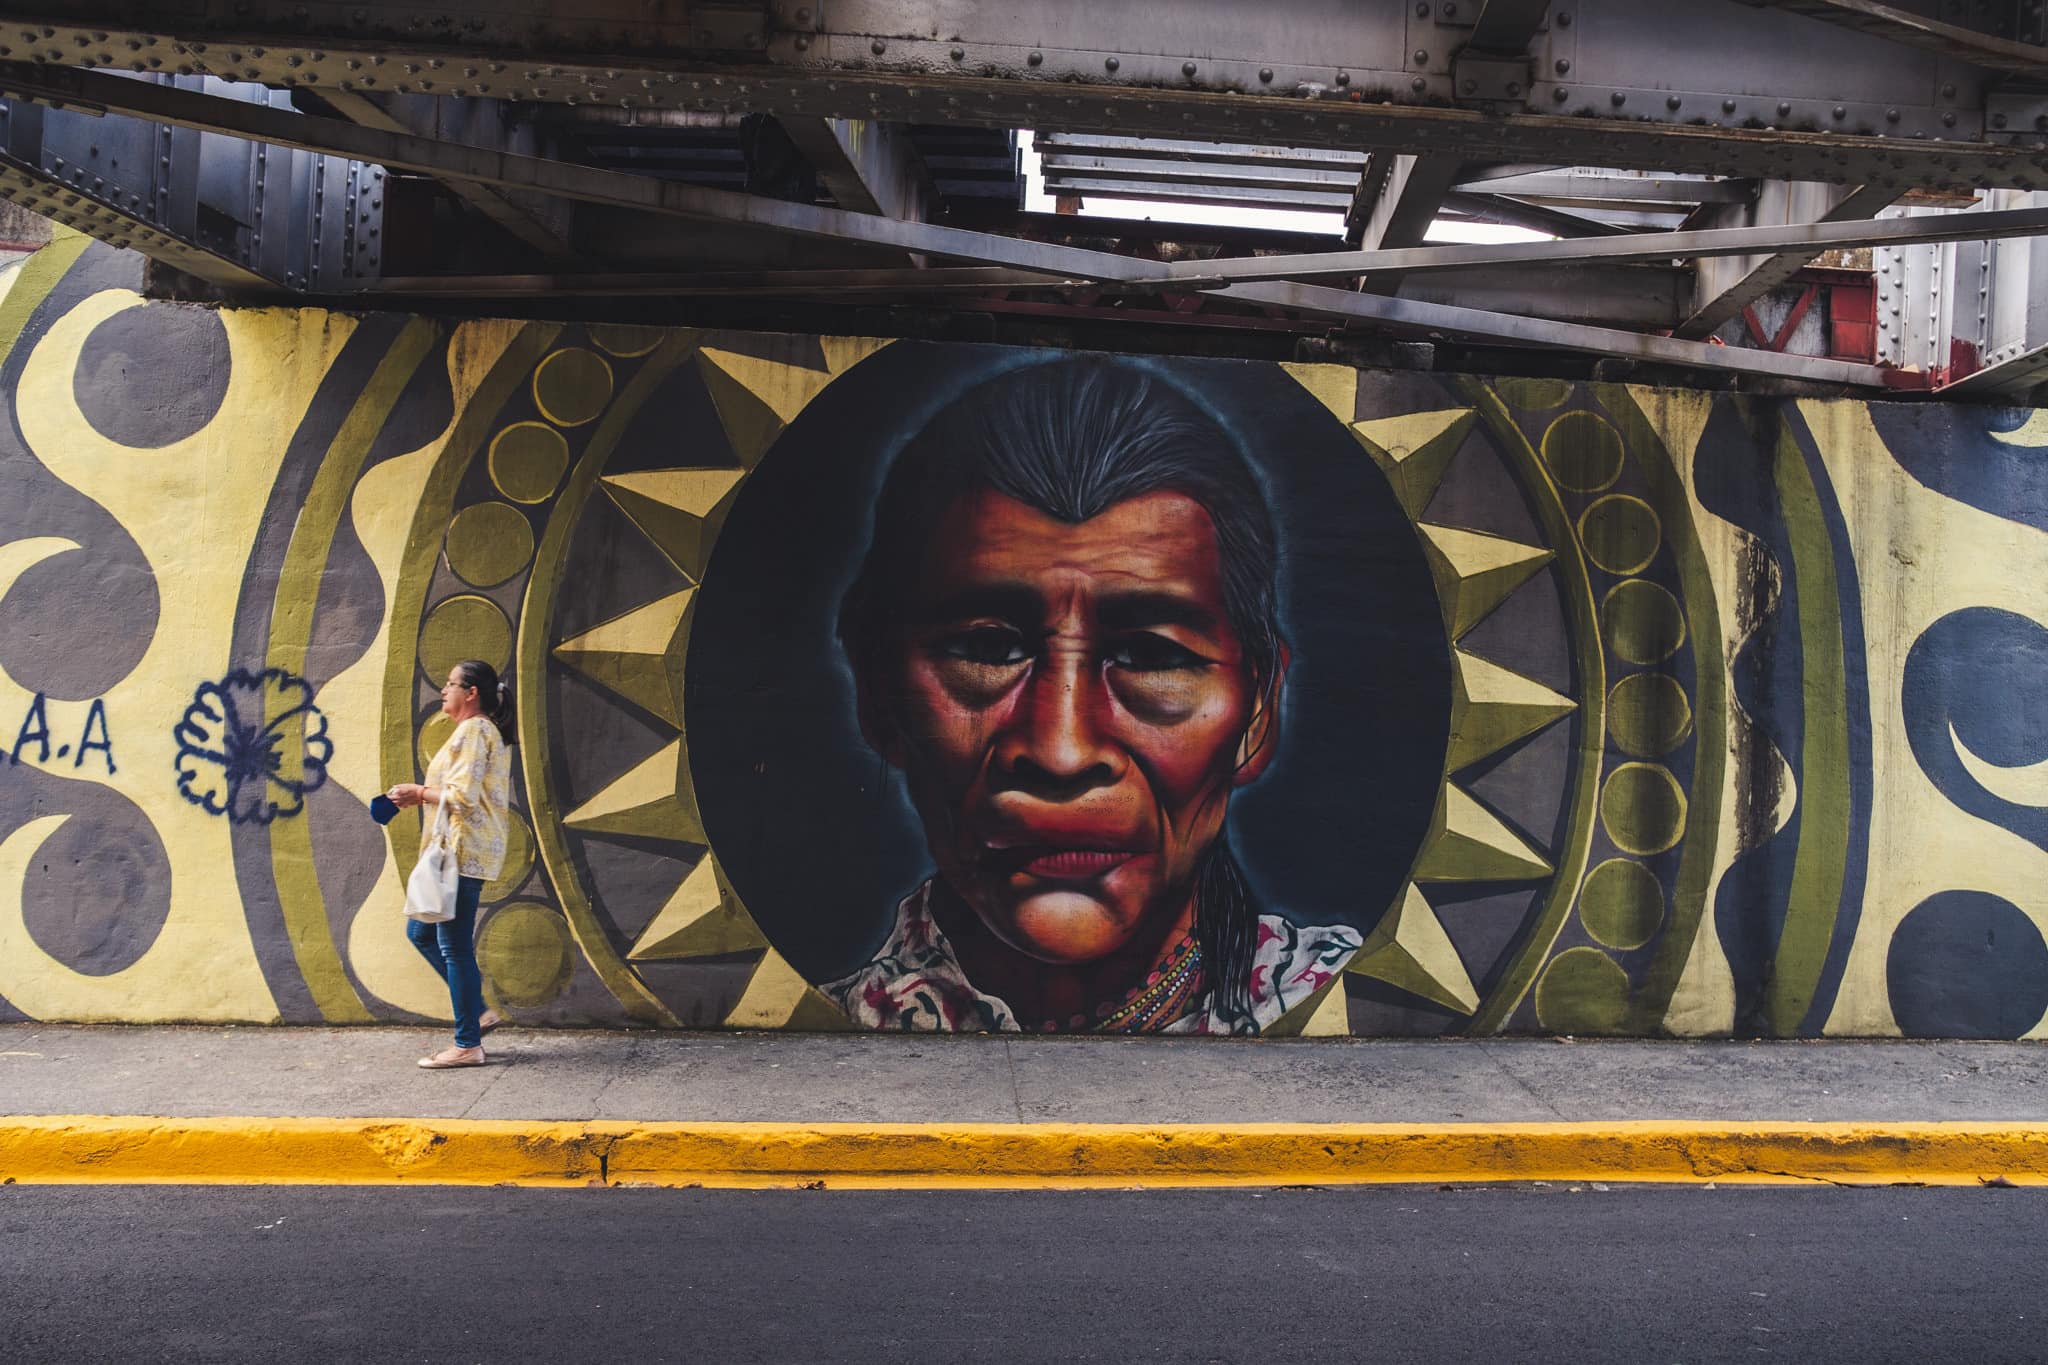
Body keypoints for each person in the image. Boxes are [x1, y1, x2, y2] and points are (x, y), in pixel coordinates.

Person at [827, 359, 1360, 1035]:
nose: (1062, 751)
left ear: (1258, 710)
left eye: (1150, 656)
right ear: (879, 694)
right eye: (989, 649)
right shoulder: (846, 1023)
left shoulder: (1337, 1001)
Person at [388, 658, 515, 1068]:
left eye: (450, 683)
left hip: (463, 853)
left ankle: (467, 1044)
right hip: (453, 852)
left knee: (453, 946)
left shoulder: (476, 730)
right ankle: (477, 1012)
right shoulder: (470, 731)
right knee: (420, 933)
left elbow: (461, 796)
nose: (443, 690)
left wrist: (417, 792)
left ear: (471, 692)